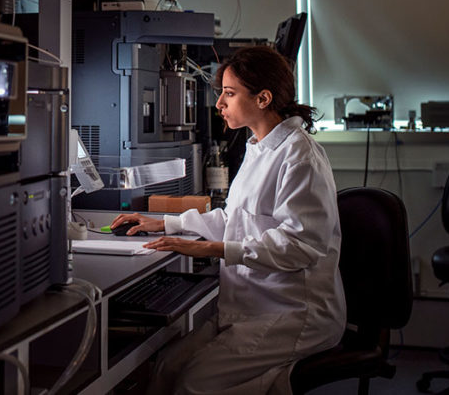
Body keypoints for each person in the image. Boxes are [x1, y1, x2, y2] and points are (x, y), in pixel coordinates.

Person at [111, 45, 346, 395]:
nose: (219, 103)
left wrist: (214, 249)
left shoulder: (300, 156)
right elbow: (237, 218)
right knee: (165, 368)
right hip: (254, 305)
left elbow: (300, 246)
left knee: (193, 385)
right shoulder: (260, 146)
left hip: (294, 313)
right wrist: (167, 224)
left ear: (263, 98)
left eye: (230, 93)